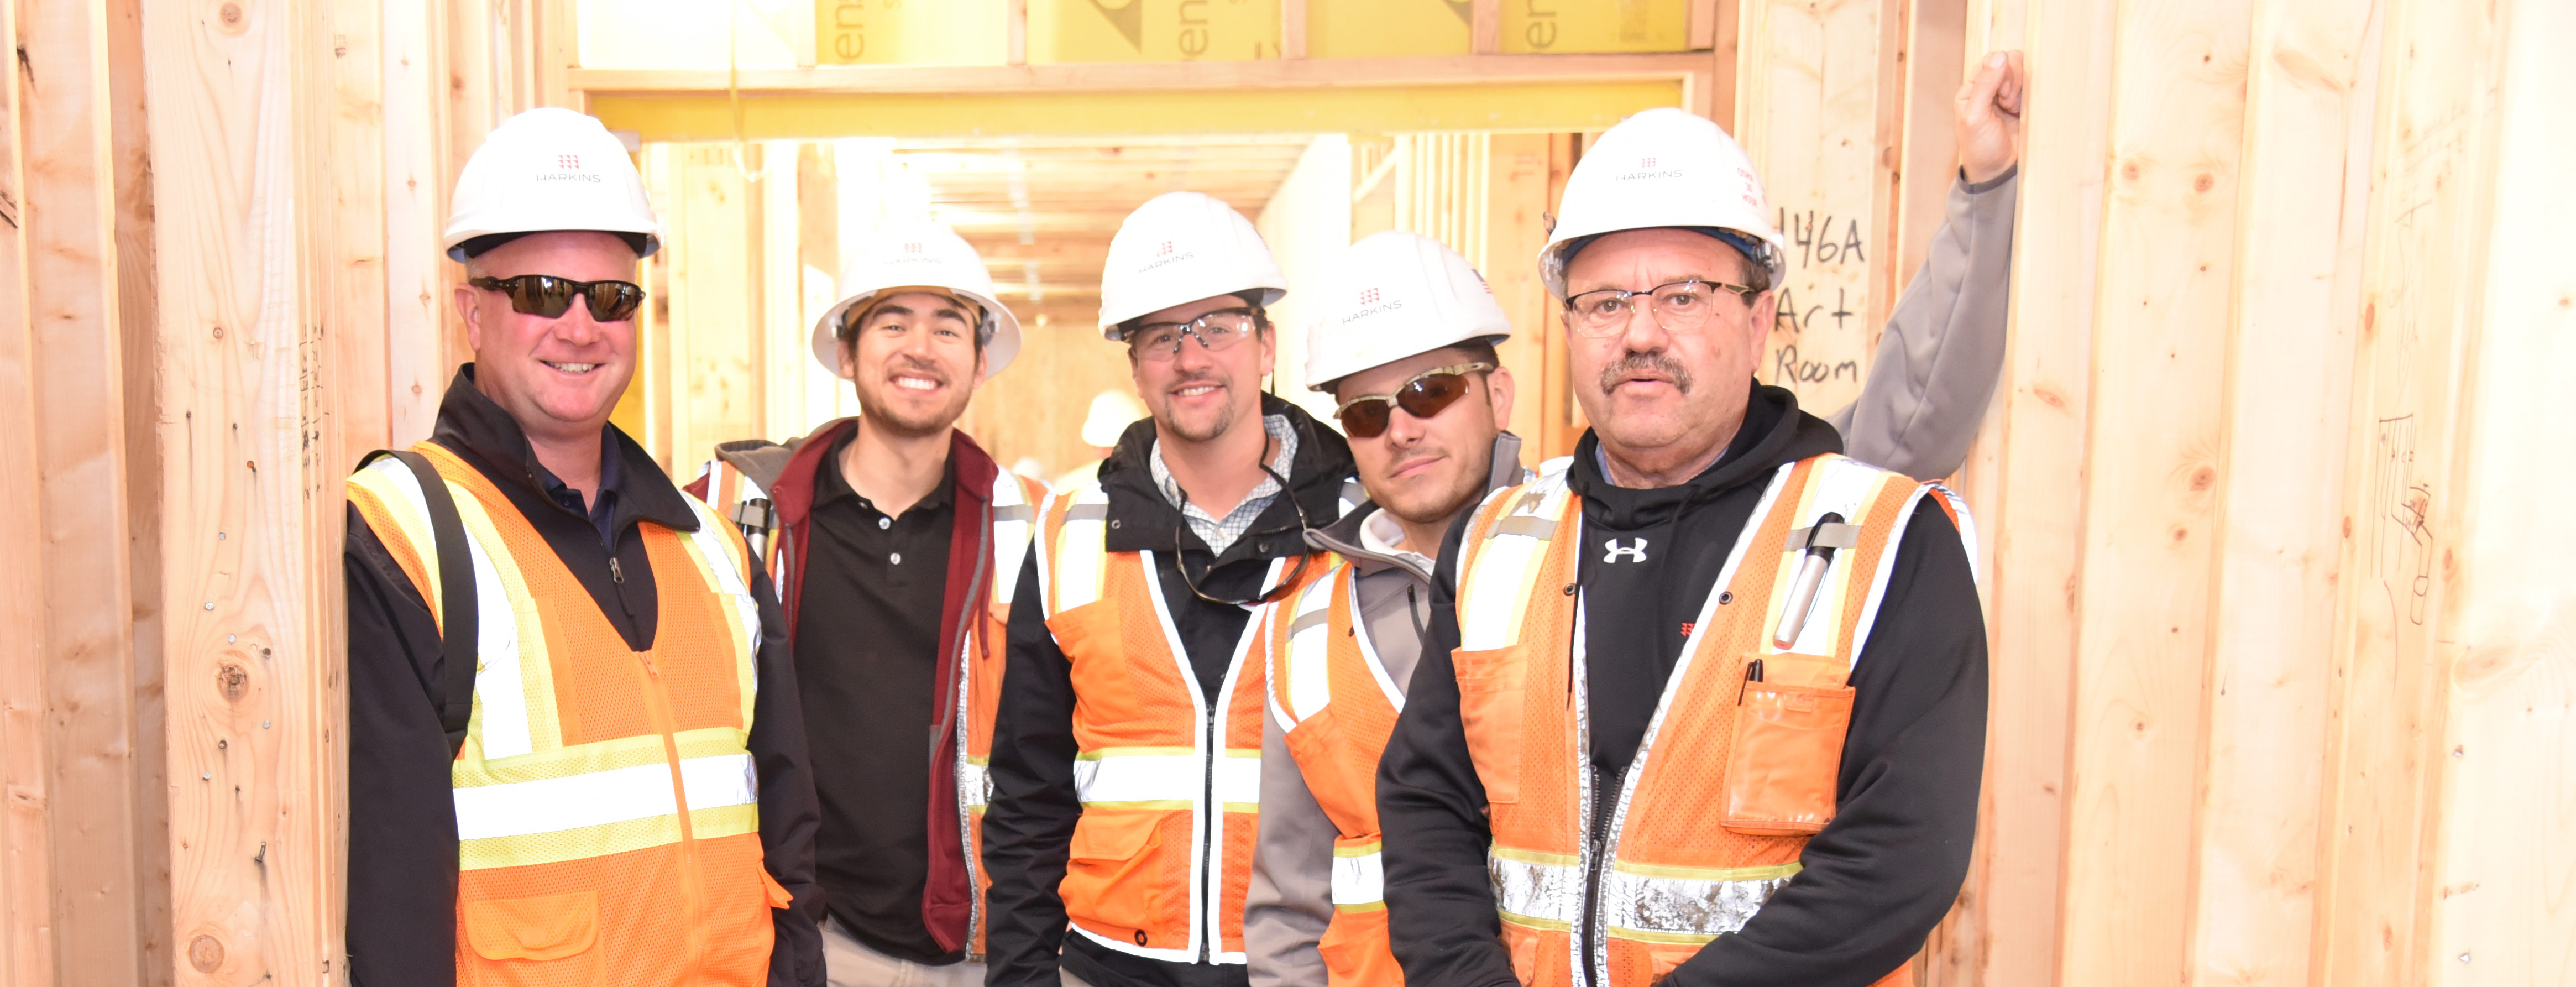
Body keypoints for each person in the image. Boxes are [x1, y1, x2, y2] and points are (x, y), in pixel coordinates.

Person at [1247, 50, 2025, 987]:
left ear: (1759, 313)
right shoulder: (1498, 546)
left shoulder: (1888, 541)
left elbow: (1900, 859)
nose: (1642, 332)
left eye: (1685, 295)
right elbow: (1426, 810)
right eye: (1606, 301)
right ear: (1570, 327)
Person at [342, 107, 823, 986]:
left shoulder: (713, 548)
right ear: (471, 313)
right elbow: (389, 878)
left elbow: (785, 834)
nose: (579, 326)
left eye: (610, 297)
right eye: (537, 293)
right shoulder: (404, 531)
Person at [983, 191, 1359, 987]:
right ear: (1135, 365)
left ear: (1266, 345)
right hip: (1109, 966)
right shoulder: (1068, 534)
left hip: (1309, 965)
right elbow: (1027, 795)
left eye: (1217, 326)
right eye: (1162, 336)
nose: (1191, 357)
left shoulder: (1362, 530)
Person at [683, 222, 1048, 987]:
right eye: (893, 322)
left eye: (948, 326)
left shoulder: (1034, 526)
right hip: (809, 941)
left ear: (981, 362)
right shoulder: (737, 514)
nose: (921, 347)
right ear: (847, 352)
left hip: (981, 948)